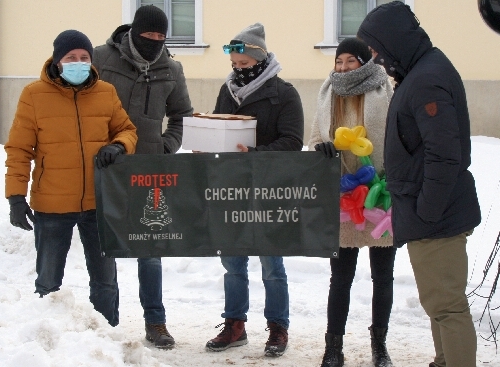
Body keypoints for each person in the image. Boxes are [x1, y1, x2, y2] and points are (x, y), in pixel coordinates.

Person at [357, 2, 482, 367]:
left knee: (447, 306)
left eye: (378, 49)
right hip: (426, 212)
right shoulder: (422, 71)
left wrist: (427, 211)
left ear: (394, 41)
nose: (377, 58)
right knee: (436, 302)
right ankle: (444, 360)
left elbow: (445, 154)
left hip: (436, 215)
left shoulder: (427, 79)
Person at [4, 29, 138, 327]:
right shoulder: (34, 96)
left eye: (84, 57)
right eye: (71, 57)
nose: (78, 63)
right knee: (48, 281)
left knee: (105, 280)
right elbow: (19, 149)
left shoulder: (105, 92)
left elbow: (127, 130)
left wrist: (118, 146)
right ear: (58, 60)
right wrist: (15, 196)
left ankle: (107, 337)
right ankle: (47, 340)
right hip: (52, 204)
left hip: (98, 201)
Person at [92, 5, 193, 348]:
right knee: (107, 245)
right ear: (135, 32)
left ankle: (156, 321)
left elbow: (182, 116)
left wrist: (167, 146)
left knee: (150, 248)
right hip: (108, 168)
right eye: (149, 35)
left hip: (150, 170)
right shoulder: (101, 57)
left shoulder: (171, 69)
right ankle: (108, 320)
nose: (154, 41)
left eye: (161, 37)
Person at [204, 22, 304, 357]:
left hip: (269, 188)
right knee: (232, 262)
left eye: (244, 64)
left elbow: (293, 141)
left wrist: (256, 155)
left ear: (259, 58)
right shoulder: (227, 90)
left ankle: (278, 326)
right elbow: (219, 130)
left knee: (271, 264)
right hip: (231, 188)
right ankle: (235, 324)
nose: (238, 70)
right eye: (234, 65)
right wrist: (206, 143)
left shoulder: (284, 93)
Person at [308, 37, 395, 367]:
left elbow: (399, 134)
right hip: (342, 194)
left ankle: (379, 344)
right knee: (340, 277)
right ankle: (333, 347)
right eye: (338, 60)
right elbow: (316, 134)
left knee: (382, 275)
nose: (342, 67)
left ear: (365, 61)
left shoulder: (385, 88)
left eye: (350, 61)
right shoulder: (327, 90)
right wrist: (321, 147)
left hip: (379, 192)